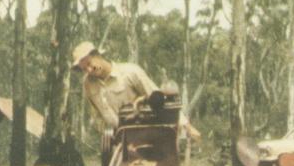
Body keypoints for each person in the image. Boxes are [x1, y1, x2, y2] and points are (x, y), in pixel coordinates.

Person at [71, 41, 201, 137]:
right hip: (118, 139)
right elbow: (97, 114)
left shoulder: (130, 72)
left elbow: (160, 99)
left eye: (89, 64)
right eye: (84, 69)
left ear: (98, 56)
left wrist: (187, 127)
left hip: (144, 135)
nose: (89, 70)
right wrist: (107, 135)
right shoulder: (88, 84)